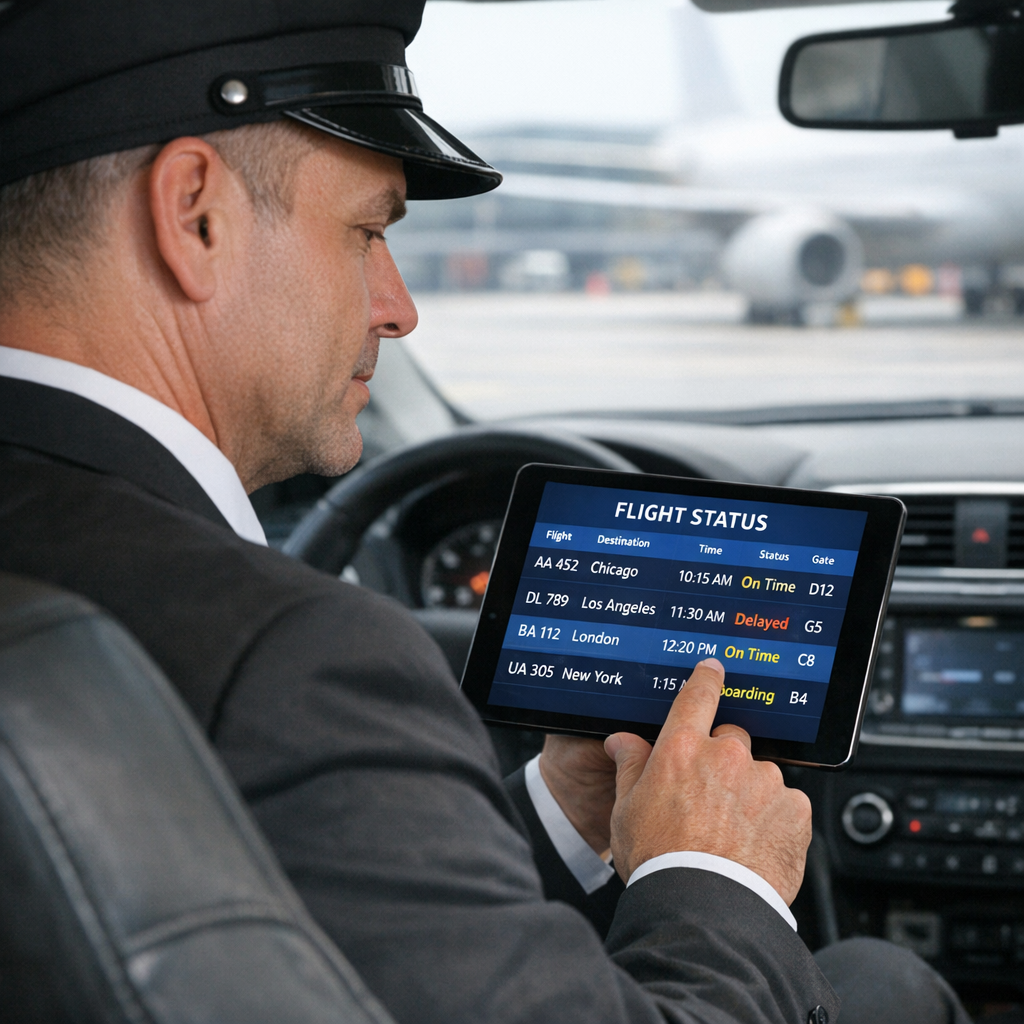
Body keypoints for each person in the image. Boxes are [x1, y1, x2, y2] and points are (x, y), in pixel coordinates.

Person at [0, 3, 970, 1024]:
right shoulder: (295, 659)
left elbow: (337, 921)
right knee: (884, 981)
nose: (399, 306)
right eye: (367, 232)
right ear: (195, 214)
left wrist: (564, 810)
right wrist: (713, 870)